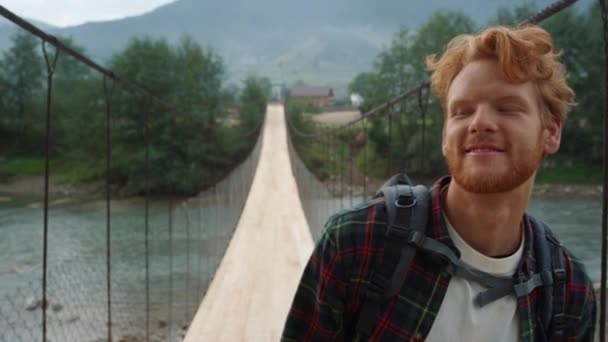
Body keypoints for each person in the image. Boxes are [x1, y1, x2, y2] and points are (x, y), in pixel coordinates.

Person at [281, 25, 596, 341]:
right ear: (445, 136)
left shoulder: (568, 291)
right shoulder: (357, 243)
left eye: (507, 108)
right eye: (462, 111)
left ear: (551, 132)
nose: (480, 123)